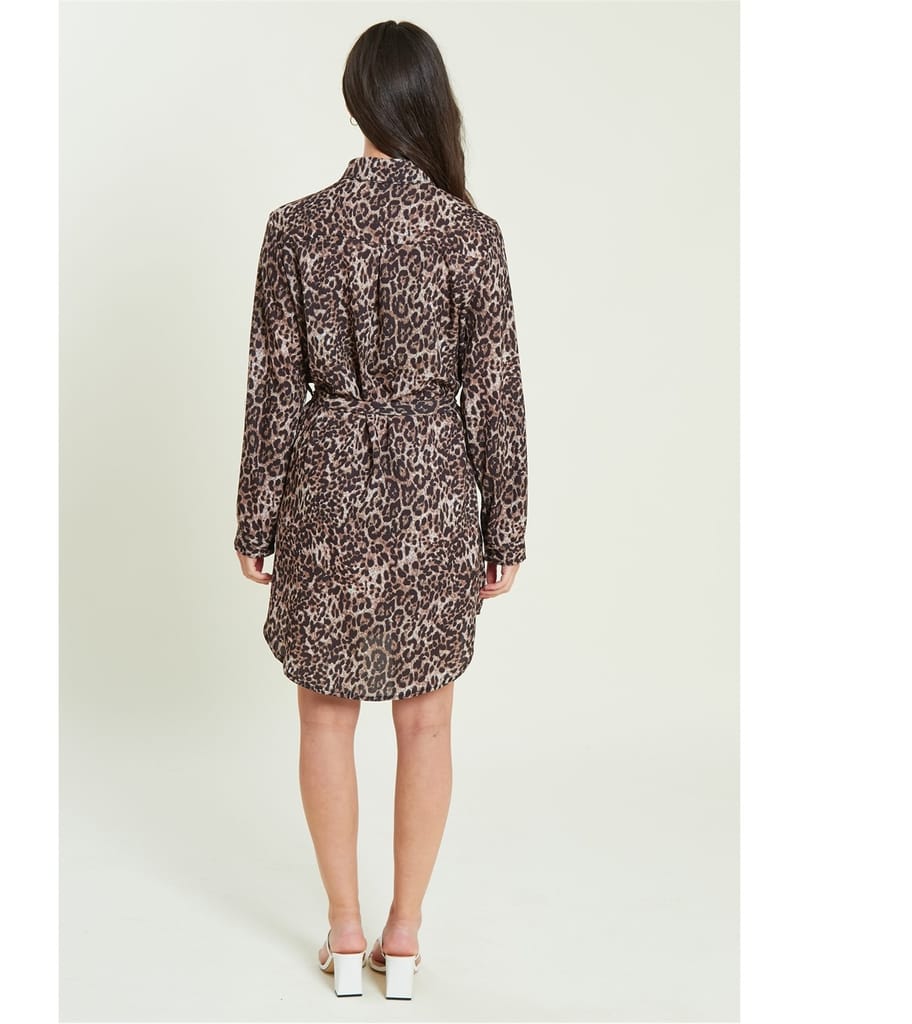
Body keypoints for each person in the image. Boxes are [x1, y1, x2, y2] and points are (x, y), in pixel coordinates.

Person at [233, 20, 528, 1000]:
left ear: (356, 98)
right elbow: (495, 393)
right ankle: (404, 937)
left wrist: (255, 517)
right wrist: (506, 525)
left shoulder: (296, 228)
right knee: (426, 723)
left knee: (326, 715)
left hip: (325, 489)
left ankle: (345, 928)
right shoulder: (469, 236)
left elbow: (273, 386)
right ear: (428, 101)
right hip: (435, 491)